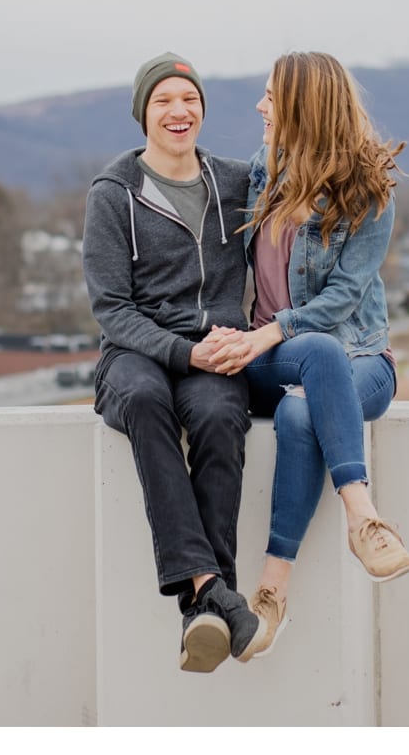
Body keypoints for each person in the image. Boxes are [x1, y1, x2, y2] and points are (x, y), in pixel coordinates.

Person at [202, 50, 409, 660]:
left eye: (271, 96)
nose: (260, 107)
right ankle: (364, 517)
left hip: (360, 359)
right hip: (281, 359)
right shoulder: (261, 173)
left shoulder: (369, 192)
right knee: (310, 357)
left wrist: (269, 332)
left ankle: (272, 592)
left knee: (302, 413)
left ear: (302, 105)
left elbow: (345, 297)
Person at [81, 51, 265, 673]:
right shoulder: (113, 195)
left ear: (203, 110)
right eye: (163, 101)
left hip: (215, 350)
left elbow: (309, 183)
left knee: (218, 415)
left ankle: (203, 611)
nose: (178, 111)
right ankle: (216, 592)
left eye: (189, 99)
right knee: (143, 398)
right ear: (143, 115)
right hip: (135, 355)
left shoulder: (237, 181)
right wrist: (184, 349)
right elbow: (112, 309)